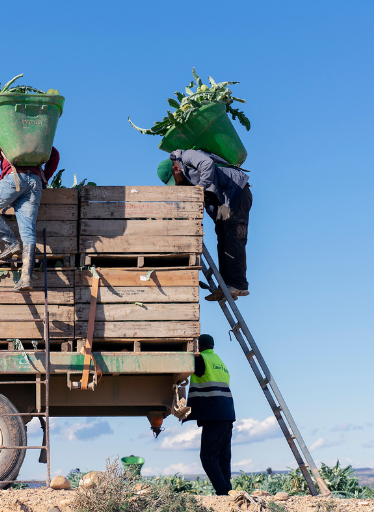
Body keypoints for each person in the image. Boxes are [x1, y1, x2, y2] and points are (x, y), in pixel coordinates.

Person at [157, 149, 252, 300]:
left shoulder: (187, 156)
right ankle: (227, 285)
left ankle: (238, 284)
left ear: (176, 168)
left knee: (234, 236)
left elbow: (207, 164)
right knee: (223, 239)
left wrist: (200, 189)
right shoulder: (184, 176)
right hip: (222, 202)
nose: (176, 184)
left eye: (174, 180)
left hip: (235, 194)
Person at [0, 133, 60, 291]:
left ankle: (11, 243)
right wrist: (44, 179)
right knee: (28, 231)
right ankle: (26, 277)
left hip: (14, 178)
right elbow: (55, 155)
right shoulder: (34, 135)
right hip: (35, 183)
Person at [185, 334, 235, 495]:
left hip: (214, 413)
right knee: (223, 456)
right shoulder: (219, 361)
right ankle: (227, 491)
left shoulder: (201, 360)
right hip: (227, 413)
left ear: (198, 347)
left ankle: (223, 490)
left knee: (207, 456)